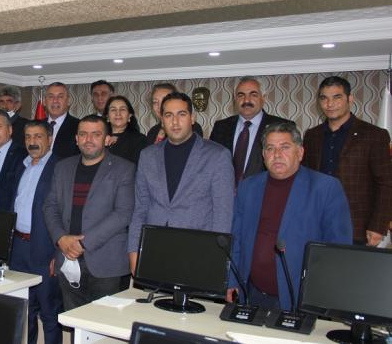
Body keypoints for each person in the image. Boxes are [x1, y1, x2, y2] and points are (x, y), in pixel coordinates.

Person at [228, 122, 352, 310]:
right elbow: (236, 240)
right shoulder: (249, 187)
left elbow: (338, 250)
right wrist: (232, 281)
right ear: (263, 155)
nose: (277, 154)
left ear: (300, 153)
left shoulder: (325, 188)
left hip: (299, 298)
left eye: (285, 147)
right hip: (251, 293)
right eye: (270, 148)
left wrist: (321, 296)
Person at [128, 92, 234, 273]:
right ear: (162, 120)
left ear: (192, 118)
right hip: (154, 252)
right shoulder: (147, 156)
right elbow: (140, 209)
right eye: (168, 115)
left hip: (198, 254)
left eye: (181, 114)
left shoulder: (217, 156)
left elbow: (222, 215)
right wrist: (133, 251)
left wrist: (215, 260)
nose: (175, 122)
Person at [43, 115, 135, 310]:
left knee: (103, 325)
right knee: (72, 320)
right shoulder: (62, 167)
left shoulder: (124, 169)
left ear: (107, 139)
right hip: (67, 258)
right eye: (83, 134)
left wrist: (82, 243)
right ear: (76, 139)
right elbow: (50, 206)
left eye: (96, 134)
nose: (88, 139)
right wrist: (61, 239)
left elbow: (123, 213)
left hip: (106, 264)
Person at [302, 76, 392, 245]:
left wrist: (378, 225)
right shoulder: (312, 135)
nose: (330, 104)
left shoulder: (374, 135)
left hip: (357, 227)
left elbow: (386, 183)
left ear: (350, 99)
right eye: (324, 98)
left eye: (337, 97)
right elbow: (305, 178)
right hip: (316, 223)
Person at [9, 121, 62, 344]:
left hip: (45, 248)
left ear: (50, 139)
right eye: (28, 137)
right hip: (18, 248)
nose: (32, 141)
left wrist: (58, 252)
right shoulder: (22, 165)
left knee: (49, 312)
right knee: (24, 309)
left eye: (38, 136)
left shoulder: (60, 167)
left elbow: (65, 213)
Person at [210, 76, 292, 185]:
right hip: (225, 193)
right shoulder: (221, 127)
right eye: (241, 95)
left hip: (265, 192)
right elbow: (210, 164)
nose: (246, 100)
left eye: (253, 95)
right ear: (235, 99)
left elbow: (290, 167)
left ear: (263, 98)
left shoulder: (282, 126)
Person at [104, 95, 147, 165]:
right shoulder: (99, 138)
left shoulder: (140, 140)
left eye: (122, 109)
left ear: (129, 116)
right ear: (107, 116)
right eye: (113, 110)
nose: (118, 113)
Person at [44, 82, 79, 159]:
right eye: (51, 96)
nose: (55, 100)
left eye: (60, 96)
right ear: (44, 101)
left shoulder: (79, 126)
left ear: (68, 101)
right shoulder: (37, 126)